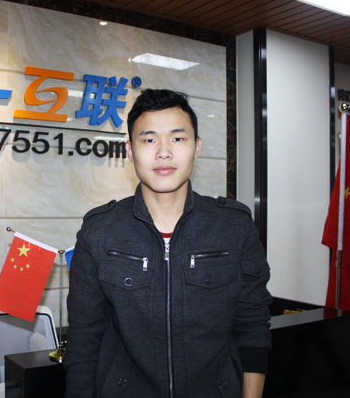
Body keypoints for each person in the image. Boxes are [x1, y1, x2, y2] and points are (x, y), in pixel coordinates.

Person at [64, 89, 272, 398]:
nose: (164, 152)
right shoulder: (99, 233)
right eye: (149, 140)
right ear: (130, 150)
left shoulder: (234, 228)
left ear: (196, 147)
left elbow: (252, 327)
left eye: (177, 138)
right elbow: (83, 342)